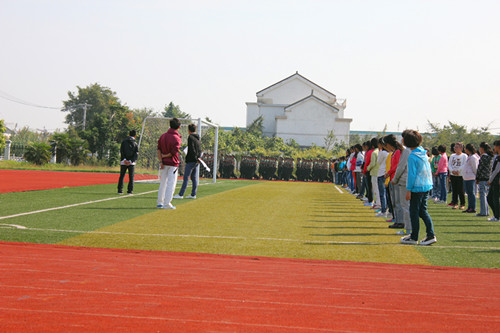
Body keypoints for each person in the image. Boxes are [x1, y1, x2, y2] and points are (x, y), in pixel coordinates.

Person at [400, 130, 437, 246]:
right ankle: (430, 235)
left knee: (414, 212)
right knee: (422, 211)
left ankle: (414, 236)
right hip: (426, 185)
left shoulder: (412, 156)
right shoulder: (422, 152)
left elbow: (412, 175)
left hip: (417, 187)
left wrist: (409, 189)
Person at [156, 118, 182, 209]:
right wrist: (164, 156)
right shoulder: (177, 138)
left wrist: (161, 160)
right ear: (179, 127)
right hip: (172, 164)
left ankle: (160, 202)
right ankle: (167, 203)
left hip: (164, 163)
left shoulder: (163, 136)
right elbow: (174, 152)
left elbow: (158, 149)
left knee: (163, 183)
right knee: (171, 183)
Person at [174, 124, 201, 199]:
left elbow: (192, 149)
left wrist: (194, 157)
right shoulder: (198, 138)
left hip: (191, 160)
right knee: (193, 177)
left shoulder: (190, 137)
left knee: (186, 177)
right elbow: (199, 149)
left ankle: (181, 194)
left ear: (189, 130)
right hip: (196, 161)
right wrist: (198, 158)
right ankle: (193, 194)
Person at [391, 131, 411, 235]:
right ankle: (410, 229)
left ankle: (408, 229)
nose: (401, 140)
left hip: (405, 181)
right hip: (412, 180)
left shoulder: (406, 151)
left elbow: (400, 166)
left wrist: (395, 179)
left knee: (405, 205)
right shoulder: (415, 151)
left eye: (402, 138)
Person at [117, 129, 139, 195]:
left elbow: (122, 151)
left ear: (129, 134)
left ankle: (120, 190)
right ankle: (130, 191)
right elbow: (136, 153)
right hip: (131, 163)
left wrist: (124, 160)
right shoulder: (135, 143)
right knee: (131, 177)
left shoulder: (124, 141)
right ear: (135, 136)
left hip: (123, 161)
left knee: (122, 176)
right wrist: (130, 161)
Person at [476, 142, 494, 217]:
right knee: (485, 194)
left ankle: (483, 212)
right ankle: (486, 211)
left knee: (482, 195)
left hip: (483, 177)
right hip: (488, 177)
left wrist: (477, 177)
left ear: (482, 148)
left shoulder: (483, 157)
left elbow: (480, 168)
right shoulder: (490, 157)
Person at [448, 142, 467, 210]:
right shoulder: (452, 156)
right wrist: (452, 170)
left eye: (457, 147)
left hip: (460, 175)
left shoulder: (464, 156)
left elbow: (464, 164)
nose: (455, 148)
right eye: (454, 147)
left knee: (460, 190)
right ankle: (455, 203)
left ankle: (462, 203)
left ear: (461, 148)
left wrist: (458, 171)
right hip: (453, 174)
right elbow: (449, 164)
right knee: (454, 190)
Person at [462, 144, 480, 213]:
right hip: (467, 177)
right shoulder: (469, 156)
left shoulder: (473, 157)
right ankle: (469, 207)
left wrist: (476, 176)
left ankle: (473, 207)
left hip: (471, 177)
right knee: (469, 193)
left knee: (471, 193)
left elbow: (475, 168)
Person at [487, 140, 500, 222]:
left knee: (495, 198)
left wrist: (490, 180)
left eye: (495, 146)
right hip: (494, 179)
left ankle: (497, 216)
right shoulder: (496, 156)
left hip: (497, 179)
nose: (494, 148)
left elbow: (497, 170)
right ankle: (496, 214)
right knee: (489, 198)